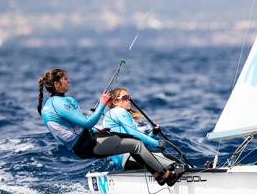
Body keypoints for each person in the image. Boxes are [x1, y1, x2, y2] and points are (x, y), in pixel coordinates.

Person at [37, 68, 184, 186]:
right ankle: (166, 176)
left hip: (84, 145)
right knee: (136, 145)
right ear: (57, 84)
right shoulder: (61, 103)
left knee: (132, 142)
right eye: (64, 79)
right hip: (87, 144)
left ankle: (158, 174)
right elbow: (88, 123)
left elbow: (75, 129)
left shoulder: (48, 107)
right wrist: (102, 103)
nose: (68, 81)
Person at [102, 87, 166, 169]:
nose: (128, 100)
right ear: (115, 101)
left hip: (126, 160)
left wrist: (153, 133)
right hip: (128, 158)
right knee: (172, 164)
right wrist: (156, 143)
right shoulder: (117, 111)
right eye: (125, 97)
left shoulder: (125, 119)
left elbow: (139, 145)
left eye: (129, 97)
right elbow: (134, 134)